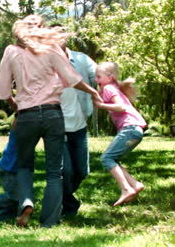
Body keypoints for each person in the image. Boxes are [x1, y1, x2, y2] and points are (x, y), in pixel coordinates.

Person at [0, 14, 102, 228]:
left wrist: (17, 106)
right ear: (42, 29)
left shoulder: (11, 51)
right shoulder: (51, 48)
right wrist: (92, 92)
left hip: (26, 116)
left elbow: (3, 89)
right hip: (53, 114)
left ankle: (26, 203)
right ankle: (49, 222)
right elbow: (71, 78)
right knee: (55, 171)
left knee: (25, 166)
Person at [55, 31, 97, 217]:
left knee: (82, 170)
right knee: (66, 170)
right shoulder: (46, 63)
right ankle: (69, 205)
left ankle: (62, 197)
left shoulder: (81, 59)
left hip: (79, 124)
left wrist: (115, 86)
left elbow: (100, 76)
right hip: (57, 126)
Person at [93, 62, 146, 207]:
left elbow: (120, 107)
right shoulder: (111, 87)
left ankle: (126, 189)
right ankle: (135, 185)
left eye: (99, 77)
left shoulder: (109, 88)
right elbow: (94, 96)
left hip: (130, 128)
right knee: (112, 158)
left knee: (107, 158)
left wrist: (101, 106)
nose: (96, 80)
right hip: (136, 130)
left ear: (110, 77)